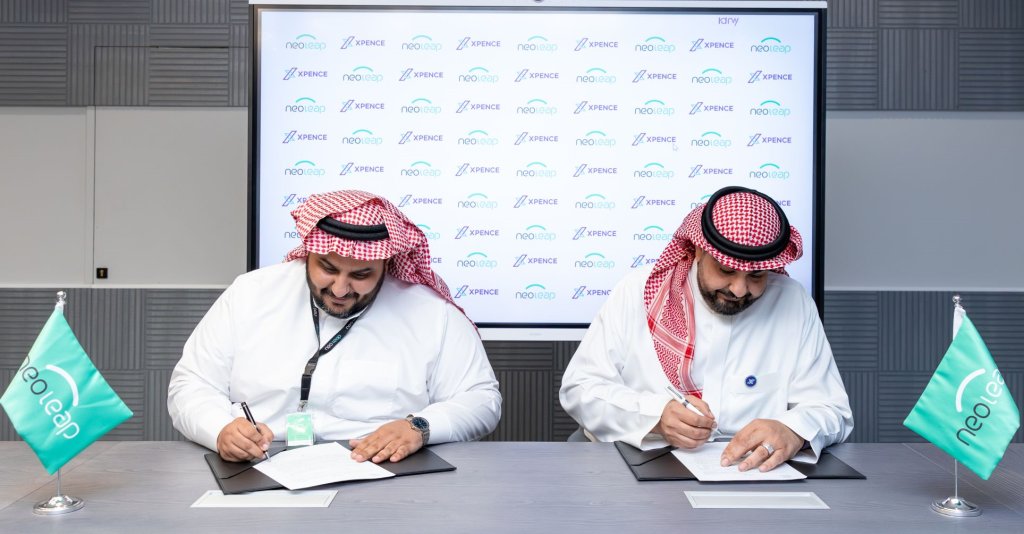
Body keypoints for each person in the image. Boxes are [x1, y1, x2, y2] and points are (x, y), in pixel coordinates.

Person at [168, 190, 501, 464]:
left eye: (361, 274)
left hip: (384, 470)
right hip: (261, 464)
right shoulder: (250, 294)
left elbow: (481, 399)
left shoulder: (432, 313)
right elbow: (192, 384)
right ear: (308, 252)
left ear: (386, 262)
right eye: (327, 268)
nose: (340, 289)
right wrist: (221, 429)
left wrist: (419, 427)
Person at [560, 186, 852, 473]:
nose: (739, 289)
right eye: (726, 270)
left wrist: (792, 429)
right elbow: (580, 388)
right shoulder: (635, 291)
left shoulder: (793, 301)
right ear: (699, 250)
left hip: (750, 475)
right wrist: (655, 415)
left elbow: (832, 410)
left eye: (756, 275)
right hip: (639, 464)